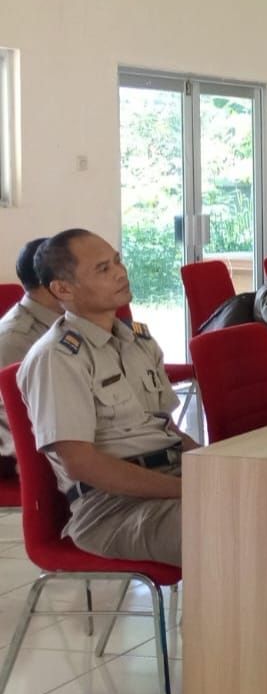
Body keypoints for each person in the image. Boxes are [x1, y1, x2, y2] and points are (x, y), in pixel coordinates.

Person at [18, 230, 191, 565]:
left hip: (172, 478)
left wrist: (218, 467)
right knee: (235, 526)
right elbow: (81, 463)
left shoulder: (139, 341)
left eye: (117, 261)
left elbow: (166, 428)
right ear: (63, 289)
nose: (120, 272)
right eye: (102, 269)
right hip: (112, 508)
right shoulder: (58, 358)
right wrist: (186, 490)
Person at [0, 238, 64, 475]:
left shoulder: (69, 322)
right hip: (36, 453)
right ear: (52, 283)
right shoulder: (16, 338)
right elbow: (25, 422)